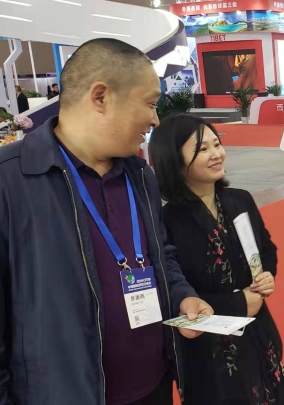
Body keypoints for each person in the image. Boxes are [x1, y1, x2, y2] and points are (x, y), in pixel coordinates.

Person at [0, 38, 213, 405]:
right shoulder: (12, 180)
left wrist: (181, 295)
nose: (155, 120)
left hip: (154, 386)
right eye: (150, 104)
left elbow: (160, 255)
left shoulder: (139, 175)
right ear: (101, 97)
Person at [149, 114, 284, 405]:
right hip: (210, 347)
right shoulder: (168, 220)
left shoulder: (239, 200)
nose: (216, 154)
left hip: (258, 329)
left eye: (217, 144)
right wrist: (238, 303)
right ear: (174, 160)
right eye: (202, 149)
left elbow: (266, 249)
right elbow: (174, 292)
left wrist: (267, 275)